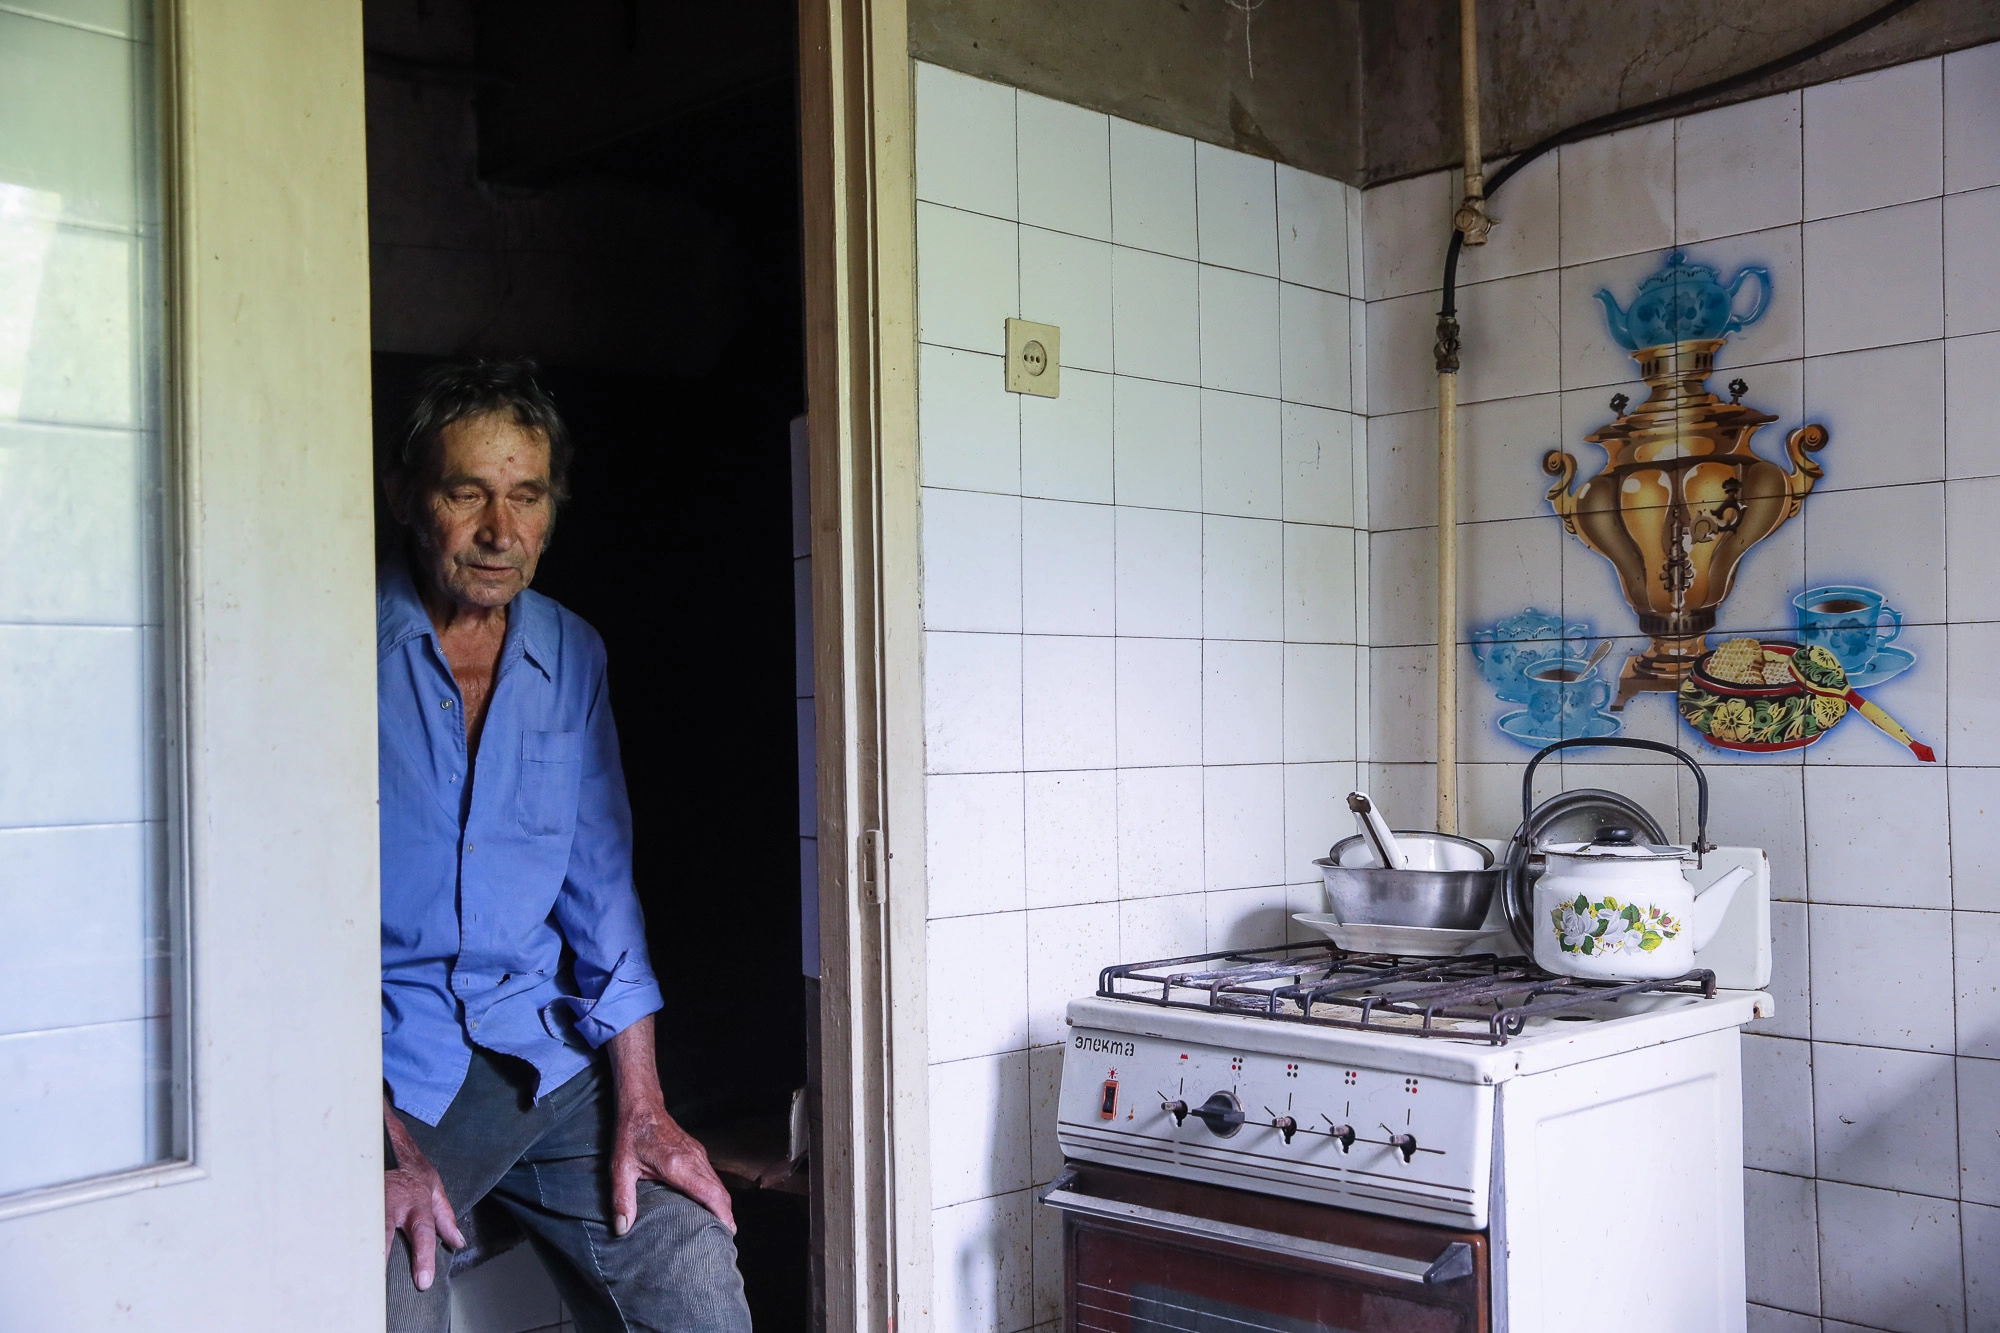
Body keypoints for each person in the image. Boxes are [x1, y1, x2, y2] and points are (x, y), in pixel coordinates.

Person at [377, 360, 752, 1332]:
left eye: (526, 496)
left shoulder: (571, 652)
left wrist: (643, 1102)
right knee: (383, 1296)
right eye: (468, 493)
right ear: (406, 497)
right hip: (389, 1066)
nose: (500, 531)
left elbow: (601, 896)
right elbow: (275, 921)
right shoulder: (332, 644)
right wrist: (374, 1144)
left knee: (694, 1268)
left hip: (542, 1056)